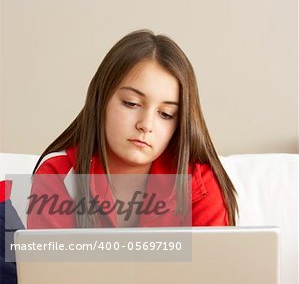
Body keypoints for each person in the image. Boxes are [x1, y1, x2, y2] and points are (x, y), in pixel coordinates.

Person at [27, 29, 238, 229]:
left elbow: (213, 266)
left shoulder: (199, 183)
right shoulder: (57, 175)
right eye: (131, 103)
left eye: (165, 114)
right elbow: (52, 266)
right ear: (101, 100)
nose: (146, 125)